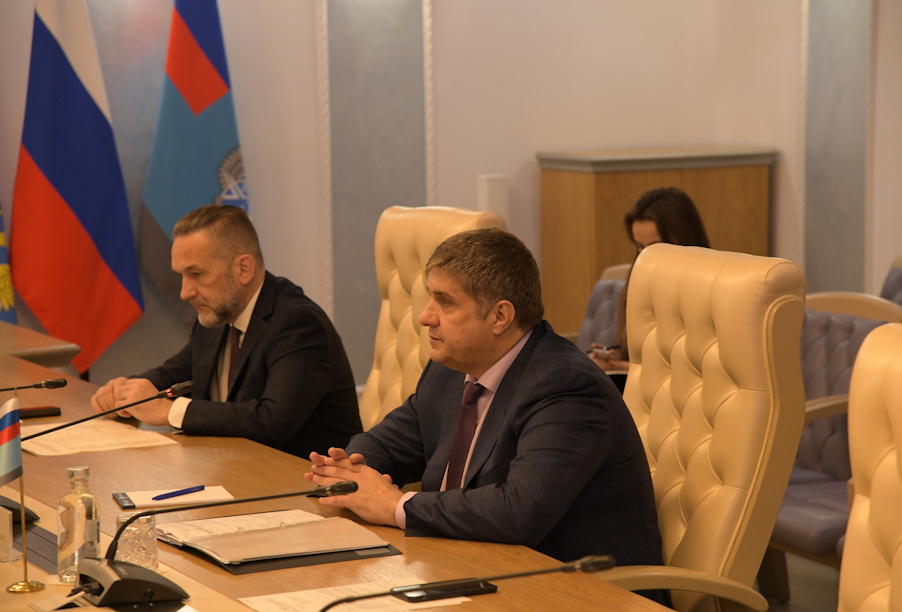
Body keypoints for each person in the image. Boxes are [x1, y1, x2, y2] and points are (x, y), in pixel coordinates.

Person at [305, 228, 667, 604]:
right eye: (430, 297)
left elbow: (519, 511)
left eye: (445, 302)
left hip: (581, 593)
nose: (425, 317)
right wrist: (351, 471)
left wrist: (395, 506)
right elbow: (389, 441)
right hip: (467, 569)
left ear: (500, 316)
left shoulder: (566, 386)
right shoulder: (451, 367)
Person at [91, 204, 361, 457]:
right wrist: (126, 394)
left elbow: (272, 421)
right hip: (233, 468)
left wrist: (169, 411)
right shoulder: (218, 315)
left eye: (197, 274)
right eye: (181, 276)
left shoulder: (298, 323)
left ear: (243, 269)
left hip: (304, 482)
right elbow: (173, 374)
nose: (185, 292)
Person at [591, 186, 710, 371]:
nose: (645, 256)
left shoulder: (707, 289)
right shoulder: (634, 283)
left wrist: (630, 369)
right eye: (639, 246)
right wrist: (610, 357)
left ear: (683, 238)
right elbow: (627, 350)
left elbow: (699, 369)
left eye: (655, 247)